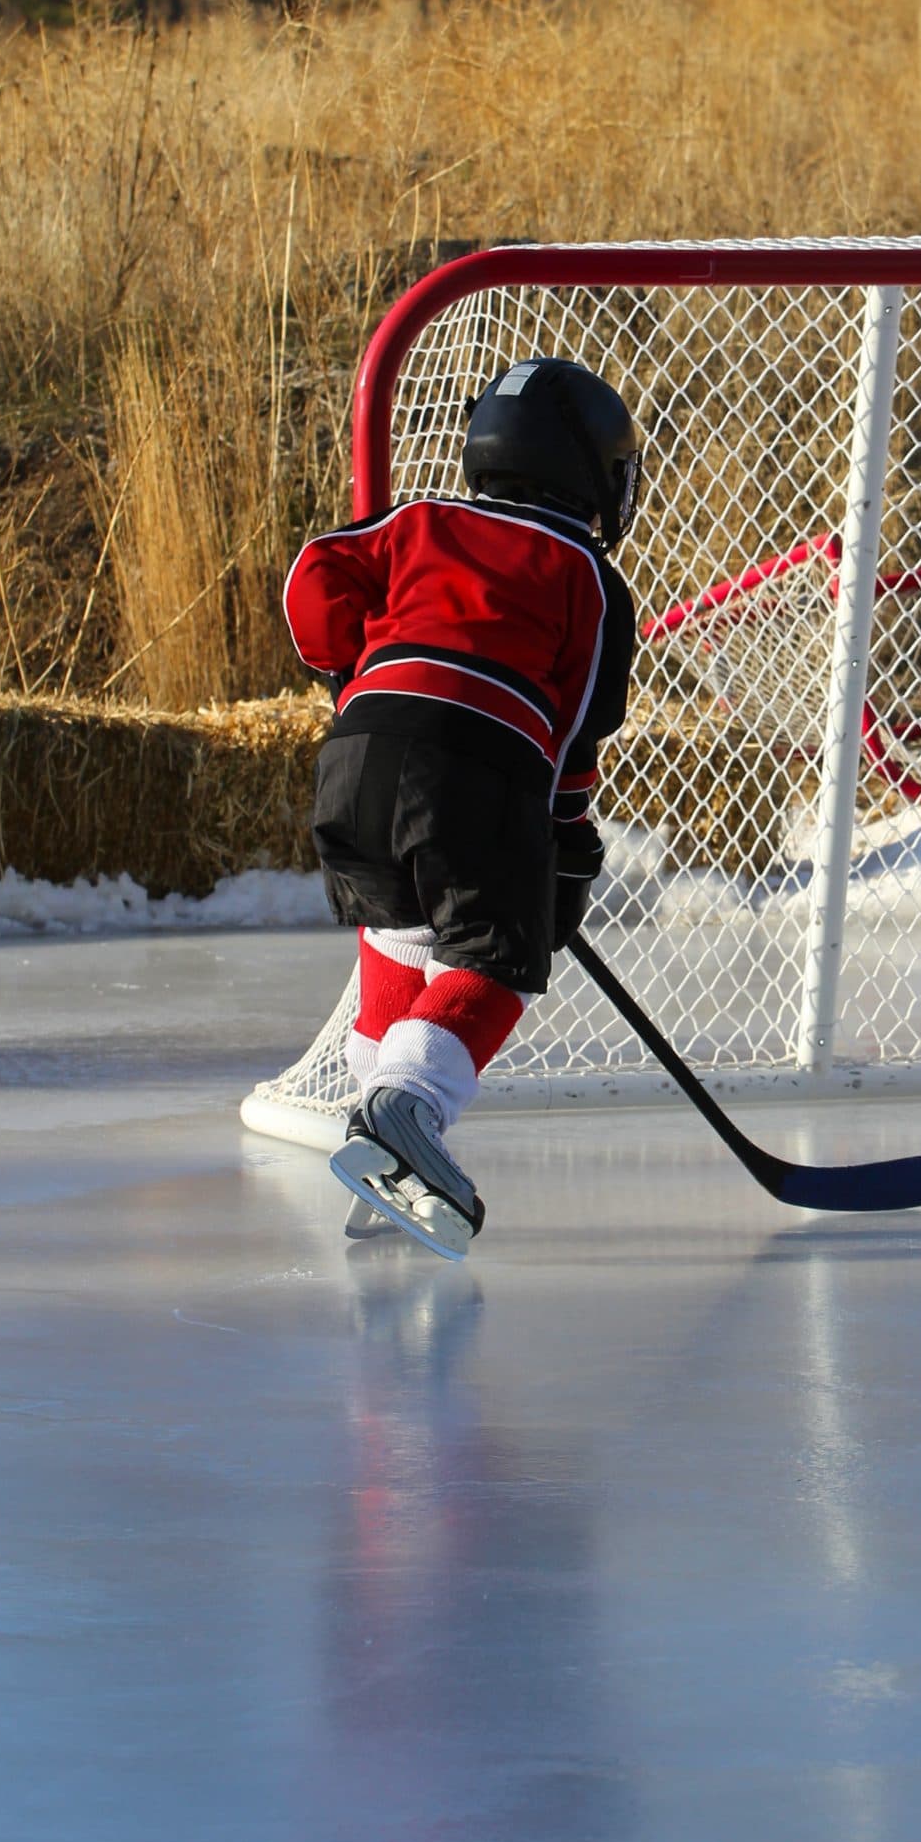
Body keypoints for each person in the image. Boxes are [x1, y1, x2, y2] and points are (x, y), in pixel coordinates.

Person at [282, 357, 641, 1258]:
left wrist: (350, 675)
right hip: (476, 767)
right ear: (594, 472)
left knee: (399, 930)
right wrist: (564, 844)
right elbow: (573, 729)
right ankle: (407, 1109)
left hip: (353, 758)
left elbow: (312, 574)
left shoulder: (416, 520)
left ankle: (379, 1142)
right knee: (497, 958)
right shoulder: (587, 574)